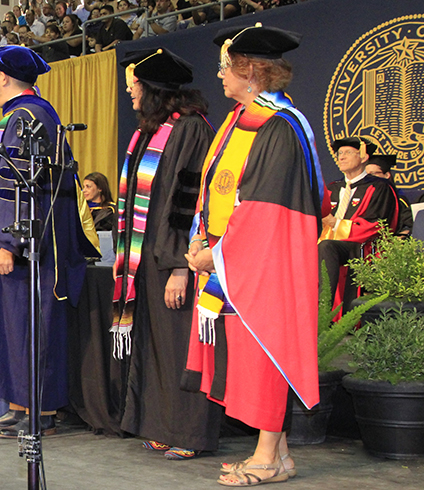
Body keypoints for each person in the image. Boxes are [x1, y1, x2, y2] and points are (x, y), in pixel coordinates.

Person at [183, 24, 323, 486]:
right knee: (246, 354)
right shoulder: (237, 120)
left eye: (227, 67)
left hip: (262, 262)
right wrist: (201, 240)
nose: (220, 75)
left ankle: (266, 455)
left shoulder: (280, 128)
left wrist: (217, 255)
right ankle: (278, 454)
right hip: (231, 258)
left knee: (264, 351)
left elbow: (263, 210)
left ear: (251, 73)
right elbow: (217, 191)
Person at [0, 46, 98, 438]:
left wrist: (7, 242)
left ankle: (41, 410)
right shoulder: (28, 114)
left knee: (31, 327)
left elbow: (26, 188)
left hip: (27, 248)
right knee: (15, 326)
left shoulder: (26, 116)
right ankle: (21, 404)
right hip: (28, 245)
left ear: (3, 76)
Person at [112, 48, 222, 460]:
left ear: (153, 87)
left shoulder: (191, 129)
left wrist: (179, 266)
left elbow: (189, 202)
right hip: (147, 260)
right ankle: (160, 424)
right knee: (157, 346)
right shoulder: (148, 131)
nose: (130, 94)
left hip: (175, 259)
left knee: (180, 346)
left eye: (134, 86)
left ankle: (190, 431)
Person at [318, 137, 398, 309]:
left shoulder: (379, 187)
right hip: (330, 244)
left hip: (363, 247)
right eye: (339, 154)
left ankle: (322, 310)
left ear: (363, 157)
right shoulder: (332, 188)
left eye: (347, 153)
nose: (342, 157)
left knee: (326, 247)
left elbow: (378, 224)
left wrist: (335, 224)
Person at [364, 154, 414, 237]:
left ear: (387, 175)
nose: (370, 178)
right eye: (366, 175)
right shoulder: (361, 198)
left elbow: (407, 226)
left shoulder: (398, 200)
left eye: (373, 173)